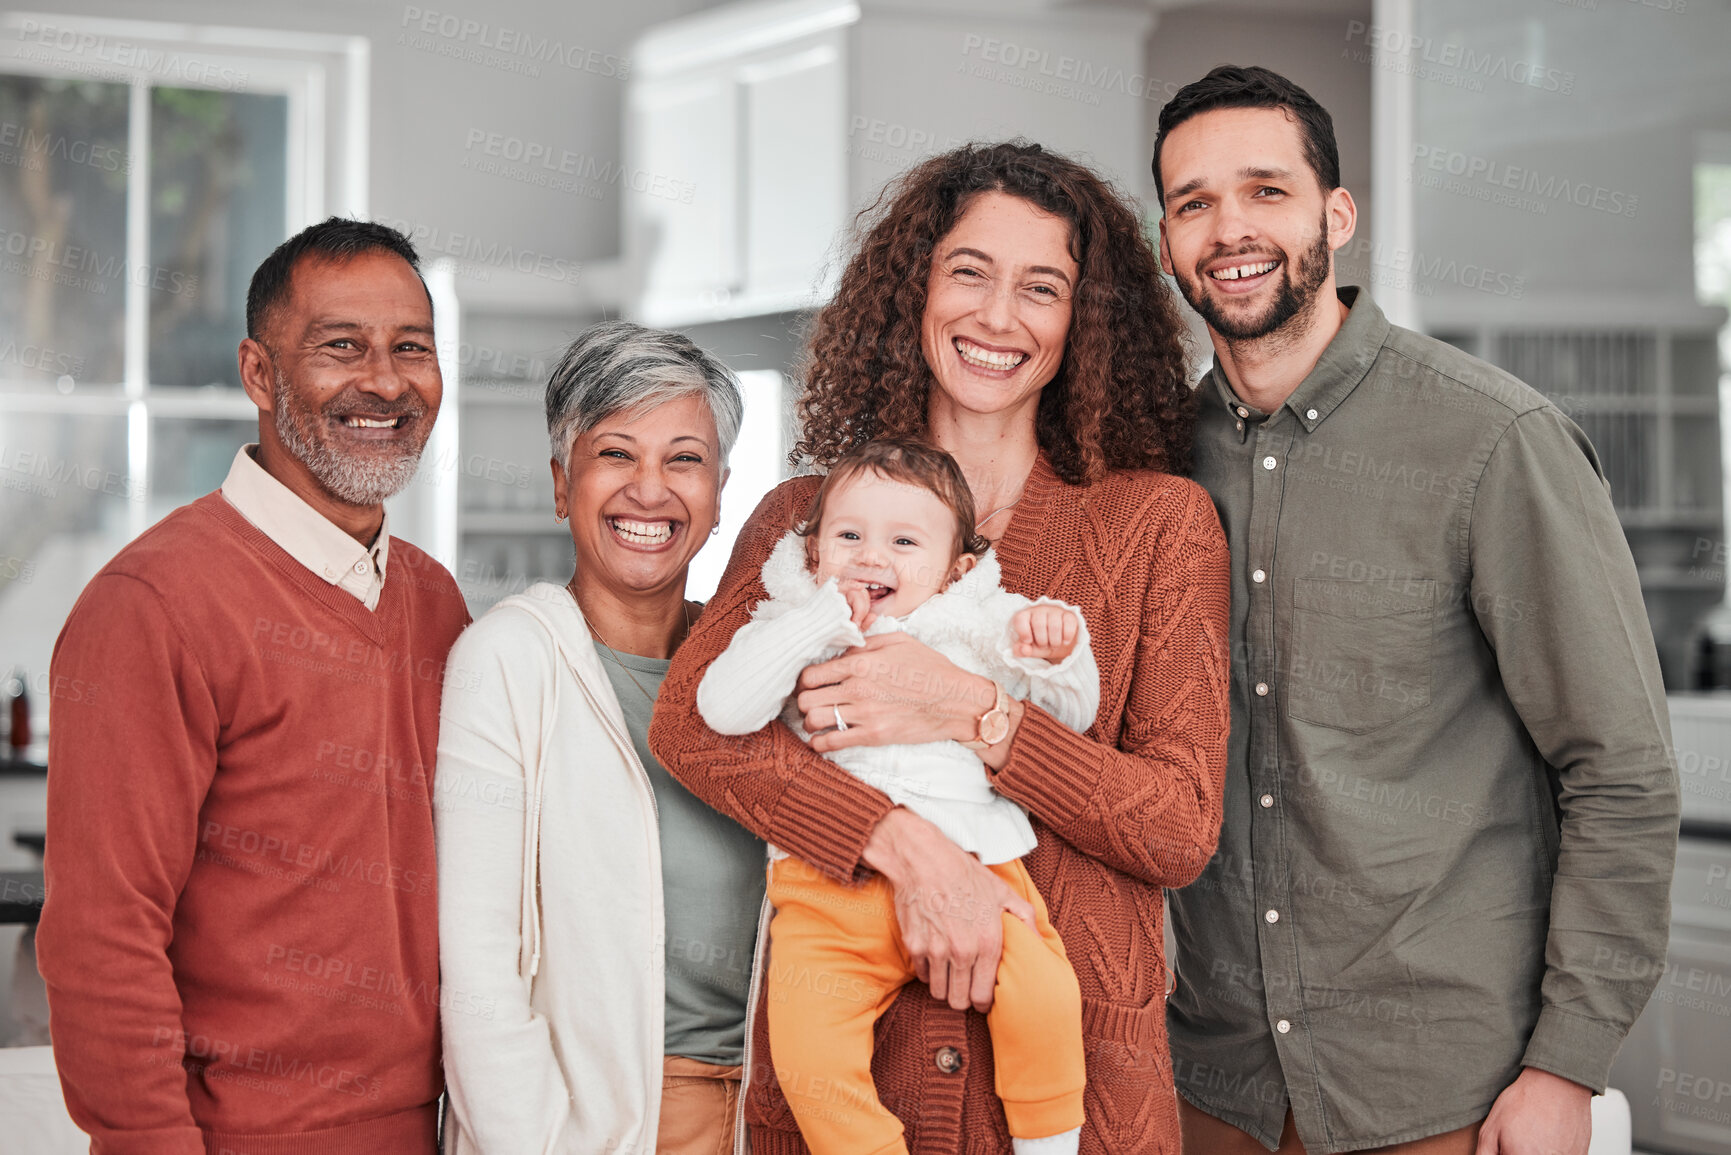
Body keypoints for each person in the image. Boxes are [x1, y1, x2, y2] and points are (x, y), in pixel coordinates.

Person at [650, 141, 1230, 1155]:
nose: (997, 316)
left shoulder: (1160, 526)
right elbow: (695, 730)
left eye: (1041, 288)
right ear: (912, 290)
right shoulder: (804, 517)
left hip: (1076, 1102)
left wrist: (973, 712)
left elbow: (1176, 826)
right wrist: (911, 852)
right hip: (852, 1088)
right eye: (969, 271)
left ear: (1082, 325)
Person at [1154, 65, 1681, 1155]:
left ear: (1335, 216)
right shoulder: (1153, 463)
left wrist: (1566, 1068)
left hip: (1445, 1095)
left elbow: (1620, 771)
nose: (1229, 229)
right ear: (1166, 239)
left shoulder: (1491, 440)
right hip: (1213, 1091)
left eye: (1266, 190)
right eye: (1192, 202)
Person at [38, 218, 469, 1153]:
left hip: (431, 1130)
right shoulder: (151, 606)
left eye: (412, 349)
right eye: (340, 347)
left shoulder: (435, 601)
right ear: (259, 374)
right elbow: (101, 939)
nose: (386, 383)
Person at [698, 437, 1096, 1155]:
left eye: (904, 541)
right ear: (813, 550)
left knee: (1044, 997)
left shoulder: (977, 625)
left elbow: (1070, 718)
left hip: (979, 873)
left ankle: (1050, 1146)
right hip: (824, 893)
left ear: (955, 569)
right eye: (848, 536)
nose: (872, 557)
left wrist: (1062, 653)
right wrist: (818, 619)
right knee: (809, 1060)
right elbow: (719, 711)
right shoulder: (794, 626)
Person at [435, 321, 761, 1155]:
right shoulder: (509, 660)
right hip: (608, 1122)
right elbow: (478, 974)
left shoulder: (757, 671)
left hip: (785, 1110)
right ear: (560, 483)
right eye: (616, 454)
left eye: (683, 459)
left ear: (720, 491)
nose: (649, 490)